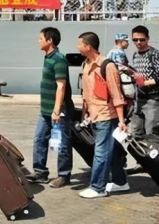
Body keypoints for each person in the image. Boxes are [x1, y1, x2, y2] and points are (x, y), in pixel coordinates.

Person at [77, 32, 128, 198]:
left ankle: (98, 187)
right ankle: (121, 182)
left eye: (80, 44)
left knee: (101, 152)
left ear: (88, 46)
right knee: (109, 150)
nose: (78, 47)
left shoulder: (107, 66)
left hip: (107, 115)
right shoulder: (85, 65)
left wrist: (121, 120)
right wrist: (85, 114)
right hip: (94, 115)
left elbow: (116, 94)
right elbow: (86, 94)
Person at [27, 27, 73, 188]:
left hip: (58, 110)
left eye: (41, 38)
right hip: (45, 110)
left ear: (50, 41)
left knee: (61, 143)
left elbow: (61, 86)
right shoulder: (48, 57)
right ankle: (40, 172)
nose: (38, 41)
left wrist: (57, 110)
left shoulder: (59, 59)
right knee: (40, 139)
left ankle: (64, 175)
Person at [130, 25, 159, 137]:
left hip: (153, 100)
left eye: (142, 39)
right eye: (135, 40)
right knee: (135, 132)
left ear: (148, 38)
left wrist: (145, 83)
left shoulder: (154, 54)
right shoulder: (135, 55)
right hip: (138, 100)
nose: (138, 42)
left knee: (151, 134)